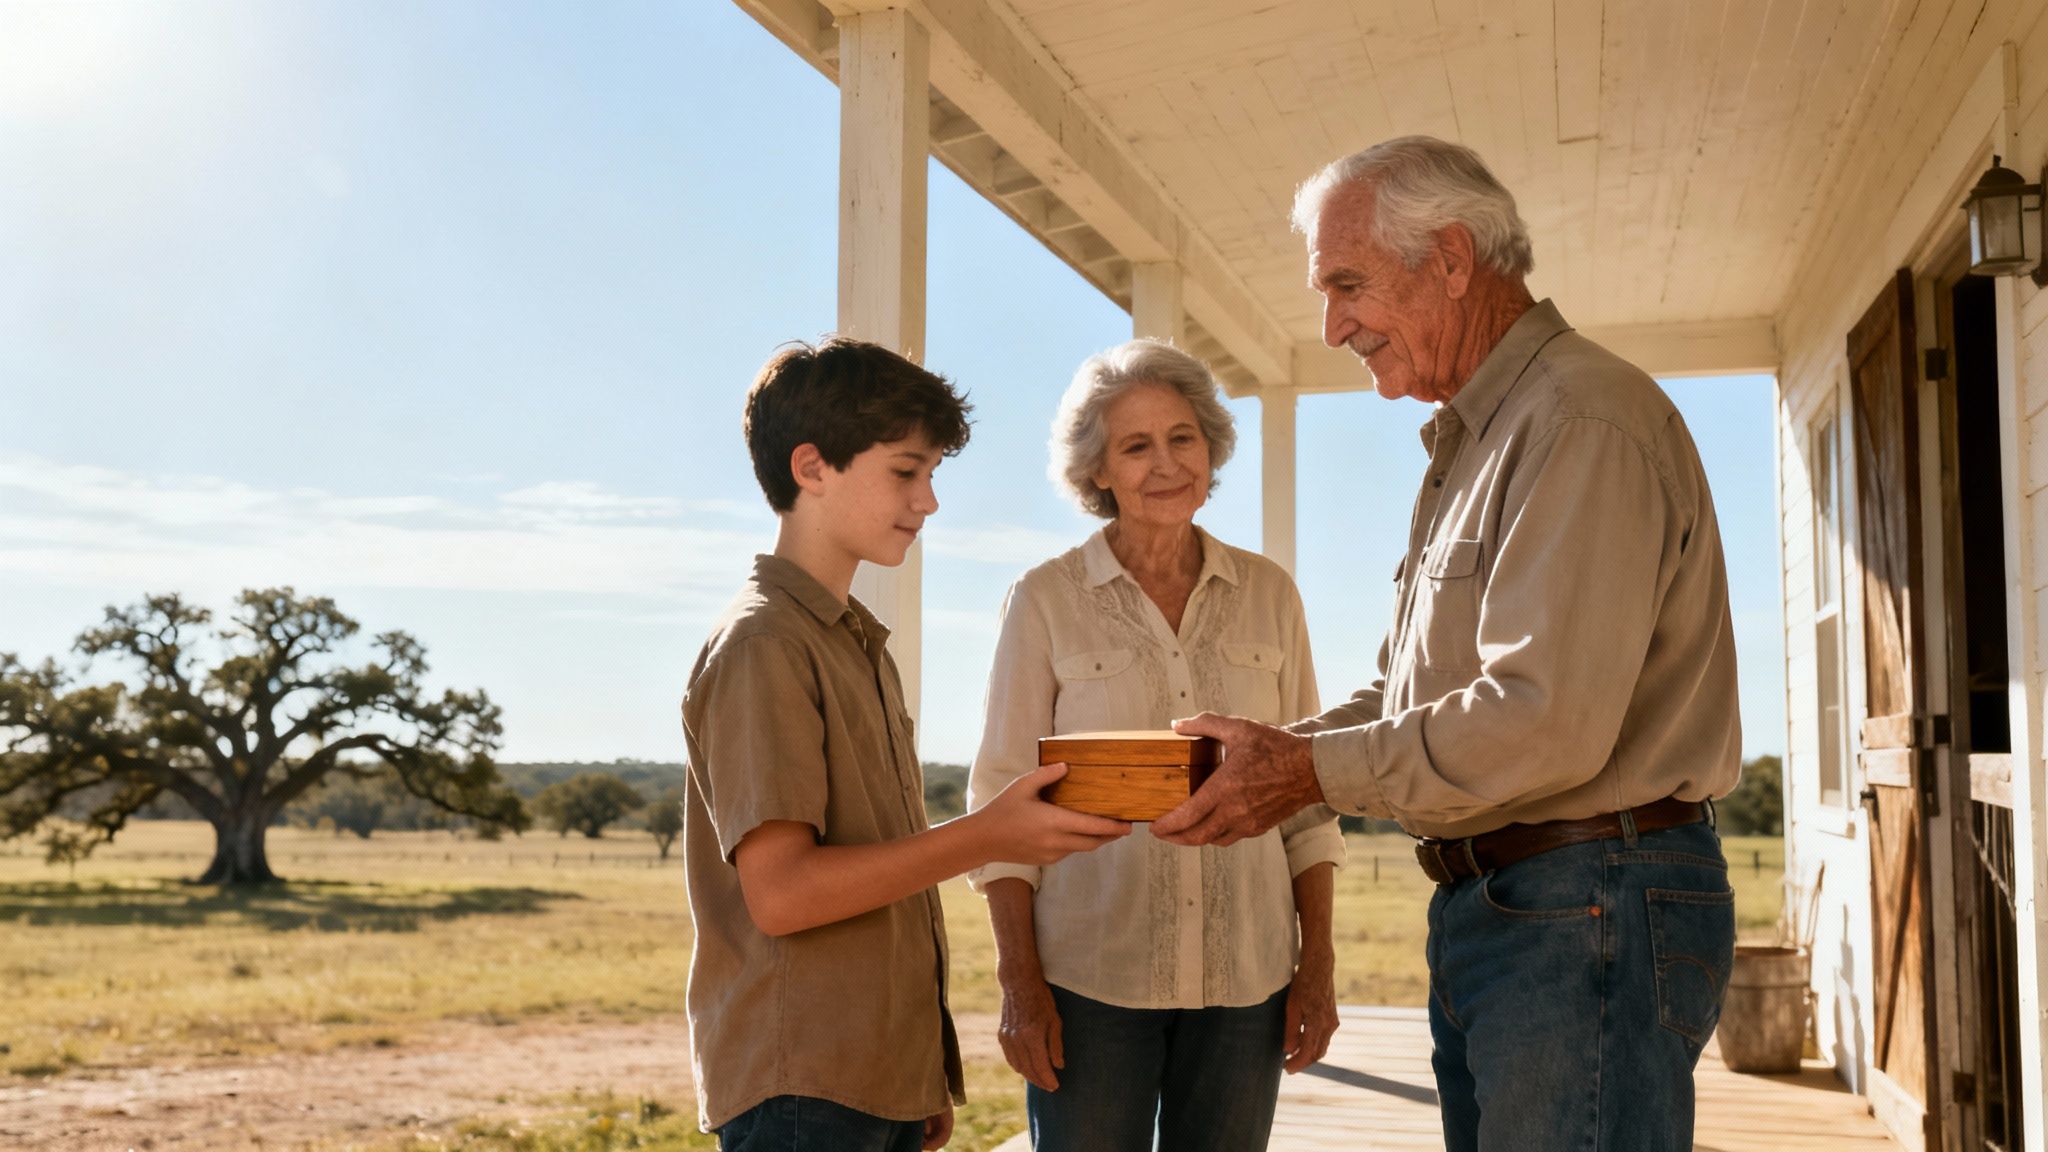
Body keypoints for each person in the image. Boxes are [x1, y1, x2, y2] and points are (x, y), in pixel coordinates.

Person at [1151, 136, 1744, 1151]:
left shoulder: (1577, 420)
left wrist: (1296, 772)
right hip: (1517, 911)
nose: (1330, 324)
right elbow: (1405, 693)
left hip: (1582, 907)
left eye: (1348, 285)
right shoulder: (1482, 438)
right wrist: (1265, 755)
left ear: (1454, 258)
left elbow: (1539, 723)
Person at [681, 338, 1131, 1152]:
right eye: (905, 472)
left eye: (932, 476)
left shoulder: (854, 641)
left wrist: (912, 1070)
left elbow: (876, 869)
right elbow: (783, 896)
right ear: (811, 467)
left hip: (867, 1081)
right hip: (802, 1090)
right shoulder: (764, 644)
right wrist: (991, 834)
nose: (928, 503)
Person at [966, 339, 1344, 1151]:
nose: (1165, 463)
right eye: (1135, 446)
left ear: (1210, 451)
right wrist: (1020, 985)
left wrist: (1316, 967)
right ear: (1098, 471)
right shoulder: (1043, 601)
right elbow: (1000, 808)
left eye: (1183, 438)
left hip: (1248, 982)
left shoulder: (1272, 595)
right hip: (1090, 985)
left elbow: (1306, 801)